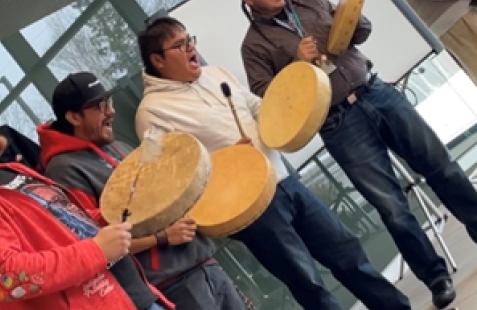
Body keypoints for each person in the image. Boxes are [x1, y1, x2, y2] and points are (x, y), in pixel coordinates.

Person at [134, 16, 415, 310]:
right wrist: (225, 163)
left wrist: (296, 100)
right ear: (158, 60)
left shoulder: (214, 73)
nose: (191, 47)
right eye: (181, 45)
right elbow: (172, 181)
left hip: (282, 178)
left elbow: (258, 107)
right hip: (248, 209)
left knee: (347, 252)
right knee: (308, 281)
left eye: (190, 39)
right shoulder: (152, 113)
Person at [238, 0, 476, 308]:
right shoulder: (253, 45)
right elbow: (268, 100)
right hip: (337, 122)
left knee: (441, 166)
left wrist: (349, 21)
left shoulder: (311, 2)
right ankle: (435, 277)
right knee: (391, 205)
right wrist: (297, 63)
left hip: (376, 91)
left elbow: (362, 32)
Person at [0, 91, 172, 310]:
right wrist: (98, 250)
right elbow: (7, 278)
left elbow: (68, 223)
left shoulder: (10, 170)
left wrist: (119, 212)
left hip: (133, 296)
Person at [36, 72, 248, 310]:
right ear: (74, 117)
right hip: (173, 283)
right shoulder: (64, 170)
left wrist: (221, 163)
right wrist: (161, 237)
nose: (111, 111)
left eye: (109, 102)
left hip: (204, 261)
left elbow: (172, 191)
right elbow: (95, 243)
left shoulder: (120, 147)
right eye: (100, 105)